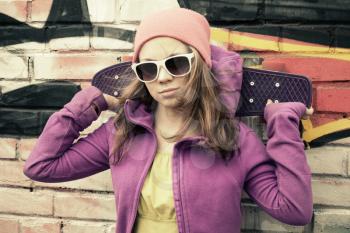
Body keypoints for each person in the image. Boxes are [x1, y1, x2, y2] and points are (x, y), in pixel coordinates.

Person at [23, 7, 314, 233]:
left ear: (200, 65)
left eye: (176, 64)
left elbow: (294, 210)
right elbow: (41, 167)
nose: (162, 77)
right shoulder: (122, 132)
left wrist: (282, 123)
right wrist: (92, 101)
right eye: (148, 69)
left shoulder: (234, 139)